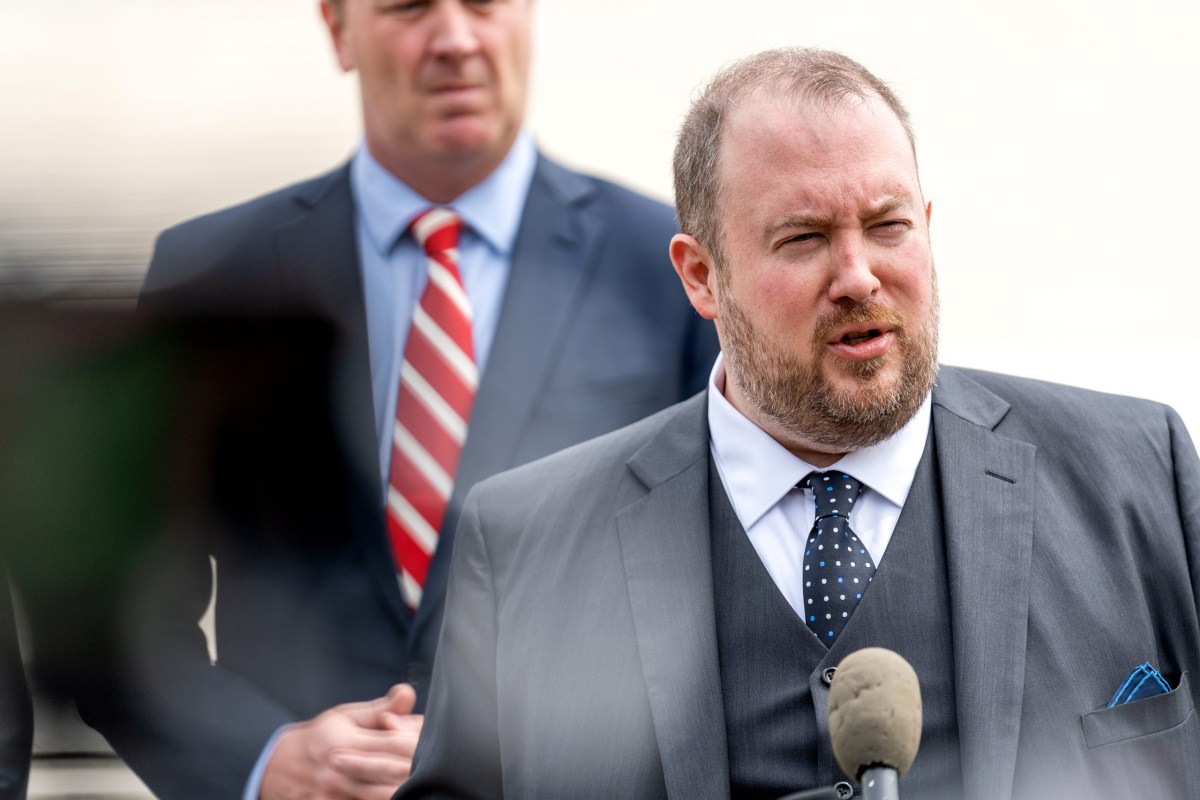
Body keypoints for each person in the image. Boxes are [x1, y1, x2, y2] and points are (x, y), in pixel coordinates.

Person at [399, 48, 1200, 800]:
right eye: (805, 238)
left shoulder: (1142, 478)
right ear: (702, 275)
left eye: (888, 226)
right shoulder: (522, 547)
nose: (858, 276)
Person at [76, 1, 718, 798]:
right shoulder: (211, 279)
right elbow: (108, 626)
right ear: (338, 29)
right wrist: (261, 760)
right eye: (409, 6)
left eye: (483, 2)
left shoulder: (670, 271)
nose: (454, 39)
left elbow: (719, 611)